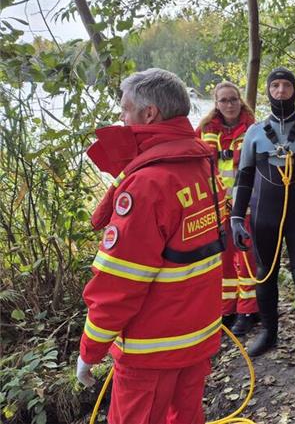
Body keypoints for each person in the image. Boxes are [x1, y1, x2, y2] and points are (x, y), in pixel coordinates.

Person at [76, 68, 225, 424]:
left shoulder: (147, 185)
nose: (120, 119)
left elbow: (119, 284)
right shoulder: (203, 166)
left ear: (149, 114)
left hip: (152, 348)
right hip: (197, 336)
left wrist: (90, 350)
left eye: (124, 110)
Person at [230, 67, 295, 360]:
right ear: (268, 91)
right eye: (275, 86)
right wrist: (237, 217)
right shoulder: (254, 133)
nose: (281, 91)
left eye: (286, 86)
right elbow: (244, 177)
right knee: (265, 273)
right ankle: (268, 333)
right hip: (264, 214)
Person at [197, 81, 259, 336]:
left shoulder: (254, 128)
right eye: (224, 100)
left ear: (240, 100)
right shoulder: (203, 130)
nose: (229, 105)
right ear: (216, 103)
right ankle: (227, 309)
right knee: (222, 261)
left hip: (246, 207)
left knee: (246, 260)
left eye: (233, 99)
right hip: (217, 208)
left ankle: (248, 310)